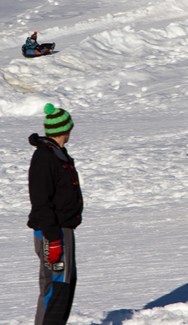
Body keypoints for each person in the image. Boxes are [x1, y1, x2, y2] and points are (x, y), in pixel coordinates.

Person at [28, 103, 83, 324]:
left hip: (63, 230)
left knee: (66, 283)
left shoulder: (59, 154)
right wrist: (52, 238)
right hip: (53, 232)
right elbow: (40, 200)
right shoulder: (45, 157)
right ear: (65, 129)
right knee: (56, 285)